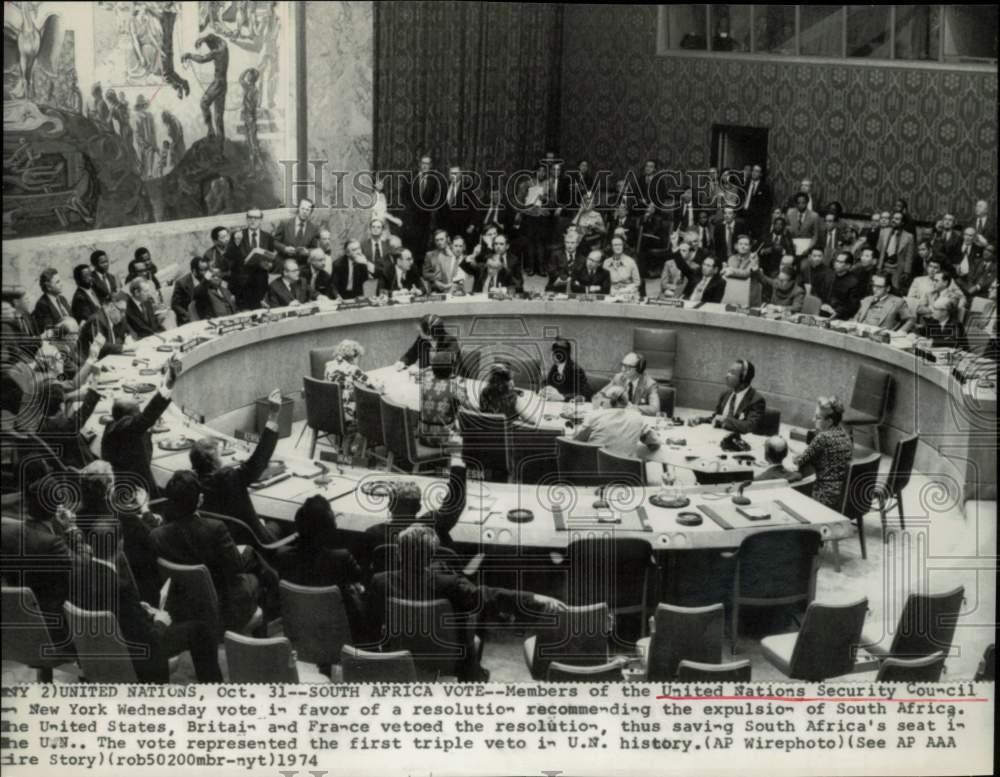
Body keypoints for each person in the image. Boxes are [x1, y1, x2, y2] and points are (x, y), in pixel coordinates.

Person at [365, 523, 564, 681]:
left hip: (398, 656)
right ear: (431, 556)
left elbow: (371, 624)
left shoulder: (379, 581)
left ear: (399, 553)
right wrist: (533, 598)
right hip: (447, 659)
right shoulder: (449, 583)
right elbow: (489, 595)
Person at [151, 470, 278, 632]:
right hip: (225, 607)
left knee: (250, 555)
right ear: (199, 500)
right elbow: (236, 567)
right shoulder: (215, 528)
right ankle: (266, 630)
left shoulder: (157, 535)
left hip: (186, 607)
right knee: (255, 576)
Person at [190, 388, 284, 544]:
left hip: (226, 540)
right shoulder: (229, 478)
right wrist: (273, 416)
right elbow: (258, 461)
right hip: (254, 543)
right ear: (215, 463)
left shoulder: (194, 482)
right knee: (280, 524)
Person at [101, 356, 179, 497]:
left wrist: (149, 430)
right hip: (136, 490)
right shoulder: (125, 428)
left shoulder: (116, 426)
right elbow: (144, 419)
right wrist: (168, 385)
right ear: (129, 418)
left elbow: (138, 429)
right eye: (137, 411)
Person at [365, 444, 468, 550]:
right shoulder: (431, 528)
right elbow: (455, 503)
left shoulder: (373, 533)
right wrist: (457, 460)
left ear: (390, 506)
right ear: (418, 507)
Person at [793, 396, 853, 509]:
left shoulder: (823, 437)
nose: (813, 420)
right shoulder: (845, 434)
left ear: (829, 421)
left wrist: (795, 456)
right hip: (843, 493)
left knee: (791, 489)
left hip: (824, 496)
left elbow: (799, 461)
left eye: (818, 417)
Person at [574, 385, 659, 459]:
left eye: (605, 397)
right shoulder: (638, 418)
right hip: (626, 473)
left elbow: (576, 442)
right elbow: (655, 444)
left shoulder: (594, 416)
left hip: (596, 471)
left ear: (612, 401)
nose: (602, 401)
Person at [688, 359, 766, 435]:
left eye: (732, 373)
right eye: (728, 371)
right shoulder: (725, 394)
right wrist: (700, 419)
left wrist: (725, 420)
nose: (727, 375)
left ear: (743, 378)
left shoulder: (756, 400)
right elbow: (717, 418)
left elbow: (750, 426)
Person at [37, 380, 101, 470]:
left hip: (64, 465)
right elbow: (84, 411)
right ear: (62, 405)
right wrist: (95, 382)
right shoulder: (66, 427)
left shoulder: (42, 423)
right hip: (82, 468)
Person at [226, 207, 277, 309]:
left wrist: (269, 265)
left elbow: (270, 258)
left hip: (260, 284)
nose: (253, 220)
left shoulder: (268, 237)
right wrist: (237, 243)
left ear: (261, 220)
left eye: (256, 218)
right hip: (241, 284)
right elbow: (229, 258)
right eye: (250, 217)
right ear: (247, 219)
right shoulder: (237, 235)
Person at [418, 354, 469, 446]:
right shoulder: (455, 388)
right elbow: (468, 407)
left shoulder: (425, 385)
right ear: (451, 370)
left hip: (423, 438)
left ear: (433, 369)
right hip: (443, 440)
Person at [324, 339, 380, 423]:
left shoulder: (329, 365)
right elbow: (374, 385)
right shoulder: (353, 369)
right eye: (358, 357)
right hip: (347, 412)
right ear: (354, 356)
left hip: (331, 409)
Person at [476, 363, 542, 425]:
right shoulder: (512, 399)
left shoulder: (483, 394)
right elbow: (532, 421)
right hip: (508, 435)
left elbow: (481, 411)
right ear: (509, 382)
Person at [598, 352, 660, 416]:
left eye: (628, 367)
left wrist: (632, 407)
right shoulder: (619, 377)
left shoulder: (650, 385)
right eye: (622, 365)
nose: (623, 369)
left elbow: (655, 409)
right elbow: (601, 394)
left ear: (639, 369)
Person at [396, 314, 461, 371]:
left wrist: (422, 371)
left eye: (421, 328)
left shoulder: (450, 342)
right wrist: (403, 362)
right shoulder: (422, 340)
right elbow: (412, 353)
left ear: (429, 333)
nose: (418, 329)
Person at [274, 198, 320, 266]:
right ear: (298, 208)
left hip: (302, 265)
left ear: (311, 212)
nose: (304, 212)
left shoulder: (314, 228)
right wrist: (285, 249)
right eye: (303, 208)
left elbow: (315, 249)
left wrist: (307, 252)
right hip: (283, 262)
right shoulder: (285, 223)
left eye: (308, 210)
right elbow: (274, 242)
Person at [820, 251, 863, 320]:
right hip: (822, 312)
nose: (836, 264)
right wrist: (823, 304)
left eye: (840, 262)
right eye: (836, 261)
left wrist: (837, 312)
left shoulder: (854, 282)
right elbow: (820, 294)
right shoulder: (829, 276)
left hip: (840, 317)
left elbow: (853, 306)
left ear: (848, 266)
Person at [171, 256, 209, 325]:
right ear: (194, 271)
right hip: (191, 317)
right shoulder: (182, 283)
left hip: (207, 314)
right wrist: (187, 315)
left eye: (206, 269)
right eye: (202, 270)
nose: (205, 273)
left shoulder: (207, 279)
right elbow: (175, 304)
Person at [33, 268, 73, 333]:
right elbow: (49, 331)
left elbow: (72, 318)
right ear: (48, 287)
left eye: (60, 280)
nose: (61, 284)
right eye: (57, 282)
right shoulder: (42, 304)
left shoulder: (62, 299)